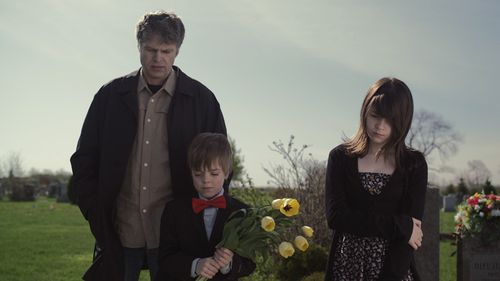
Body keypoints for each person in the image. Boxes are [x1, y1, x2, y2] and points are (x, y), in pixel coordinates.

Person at [70, 11, 227, 281]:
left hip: (177, 238)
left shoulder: (202, 100)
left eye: (166, 51)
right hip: (119, 231)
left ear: (177, 51)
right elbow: (84, 161)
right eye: (150, 50)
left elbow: (222, 167)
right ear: (139, 47)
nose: (158, 58)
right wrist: (97, 215)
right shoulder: (109, 96)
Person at [324, 77, 428, 281]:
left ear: (403, 121)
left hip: (394, 271)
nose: (380, 126)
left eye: (390, 120)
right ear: (365, 111)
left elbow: (412, 232)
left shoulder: (413, 164)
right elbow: (336, 217)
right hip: (345, 269)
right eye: (376, 116)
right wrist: (399, 226)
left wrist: (390, 276)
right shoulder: (340, 158)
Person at [157, 133, 256, 280]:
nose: (206, 180)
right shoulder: (174, 210)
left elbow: (249, 264)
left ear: (227, 172)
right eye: (198, 174)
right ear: (190, 172)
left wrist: (228, 264)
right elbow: (165, 258)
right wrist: (195, 266)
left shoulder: (243, 212)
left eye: (214, 173)